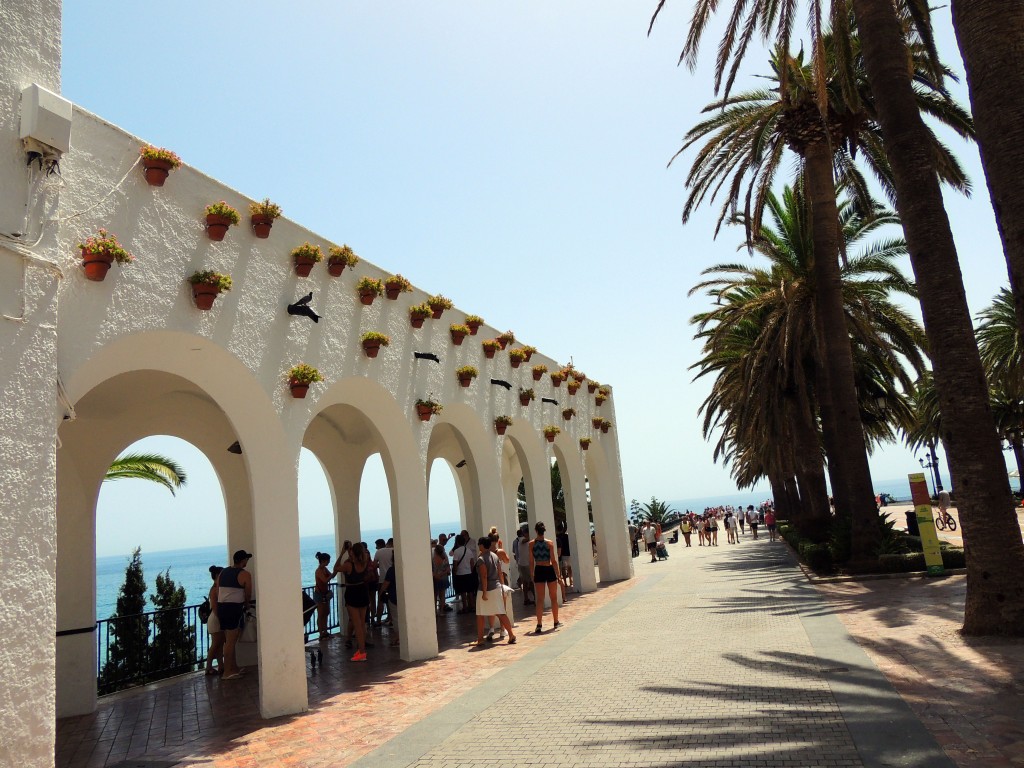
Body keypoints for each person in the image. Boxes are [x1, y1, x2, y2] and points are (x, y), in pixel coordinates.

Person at [216, 550, 253, 680]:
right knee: (231, 641)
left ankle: (234, 668)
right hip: (233, 609)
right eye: (246, 559)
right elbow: (248, 593)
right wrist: (247, 604)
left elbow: (217, 589)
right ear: (243, 560)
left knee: (230, 640)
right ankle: (227, 672)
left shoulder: (223, 572)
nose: (247, 561)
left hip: (222, 608)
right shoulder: (244, 574)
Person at [474, 537, 516, 646]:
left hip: (486, 589)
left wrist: (484, 592)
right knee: (501, 612)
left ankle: (480, 639)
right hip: (497, 586)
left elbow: (483, 576)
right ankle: (511, 634)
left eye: (479, 543)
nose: (478, 545)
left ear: (482, 545)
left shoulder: (481, 559)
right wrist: (502, 586)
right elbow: (500, 572)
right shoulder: (495, 556)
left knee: (480, 614)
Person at [336, 542, 371, 661]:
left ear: (352, 553)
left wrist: (342, 553)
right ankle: (361, 649)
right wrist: (351, 551)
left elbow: (336, 568)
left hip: (352, 592)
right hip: (362, 591)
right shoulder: (364, 562)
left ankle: (362, 653)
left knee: (357, 624)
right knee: (362, 623)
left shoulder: (349, 566)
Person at [530, 521, 562, 633]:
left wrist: (531, 574)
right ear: (544, 531)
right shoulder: (550, 543)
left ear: (535, 531)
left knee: (540, 599)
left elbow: (531, 561)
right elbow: (553, 560)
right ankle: (556, 621)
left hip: (538, 569)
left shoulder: (531, 544)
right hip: (549, 569)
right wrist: (558, 575)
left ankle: (539, 624)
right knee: (553, 597)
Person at [204, 565, 224, 676]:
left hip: (216, 618)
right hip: (215, 619)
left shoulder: (216, 587)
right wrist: (221, 619)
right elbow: (215, 608)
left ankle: (221, 666)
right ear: (217, 575)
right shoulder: (215, 589)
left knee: (219, 644)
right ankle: (208, 667)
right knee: (216, 644)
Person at [450, 533, 477, 614]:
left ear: (457, 542)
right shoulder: (468, 550)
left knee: (463, 592)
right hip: (469, 573)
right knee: (470, 591)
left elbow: (455, 564)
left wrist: (455, 572)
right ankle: (472, 606)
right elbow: (472, 562)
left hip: (460, 574)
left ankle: (464, 608)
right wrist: (471, 571)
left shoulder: (456, 552)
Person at [373, 539, 393, 625]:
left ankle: (378, 621)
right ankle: (391, 620)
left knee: (380, 601)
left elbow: (374, 565)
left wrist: (380, 565)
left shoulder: (378, 552)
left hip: (382, 580)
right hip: (392, 580)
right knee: (391, 601)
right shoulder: (393, 551)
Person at [313, 551, 334, 637]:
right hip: (319, 594)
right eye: (328, 560)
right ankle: (321, 633)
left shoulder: (324, 569)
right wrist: (331, 575)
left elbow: (331, 575)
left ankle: (325, 631)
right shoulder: (318, 571)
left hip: (325, 593)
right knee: (321, 614)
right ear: (323, 561)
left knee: (326, 612)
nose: (329, 562)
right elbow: (325, 580)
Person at [379, 562, 399, 647]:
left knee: (395, 618)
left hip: (393, 597)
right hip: (401, 597)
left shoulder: (392, 570)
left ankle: (397, 637)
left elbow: (386, 584)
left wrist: (381, 593)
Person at [515, 526, 535, 605]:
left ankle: (527, 599)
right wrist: (533, 536)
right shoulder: (521, 539)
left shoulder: (525, 540)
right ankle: (534, 598)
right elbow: (524, 540)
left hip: (524, 563)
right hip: (525, 565)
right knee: (530, 582)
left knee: (526, 582)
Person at [556, 522, 573, 592]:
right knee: (569, 568)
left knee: (563, 569)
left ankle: (565, 582)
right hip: (568, 553)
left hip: (562, 554)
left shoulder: (557, 537)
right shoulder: (567, 536)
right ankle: (571, 580)